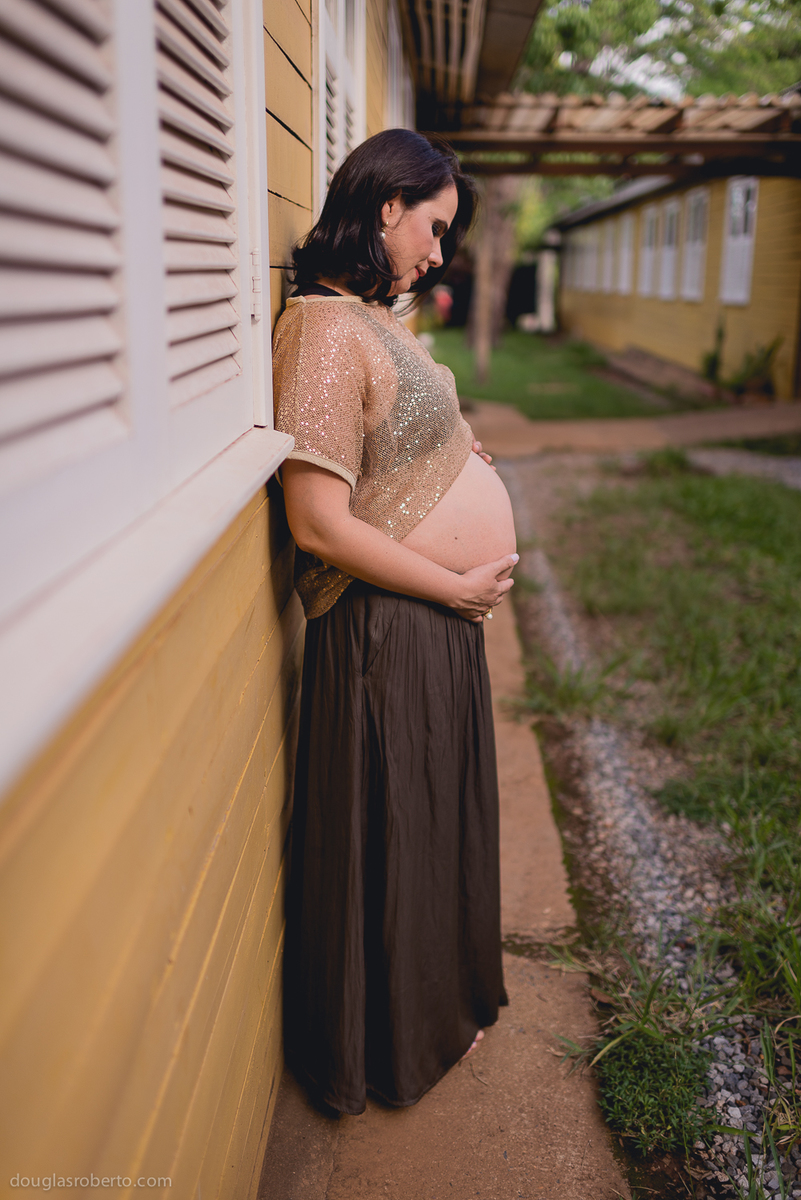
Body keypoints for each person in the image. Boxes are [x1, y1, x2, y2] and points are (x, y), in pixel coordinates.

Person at [272, 128, 518, 1117]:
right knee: (396, 832)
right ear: (386, 205)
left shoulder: (364, 319)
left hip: (425, 614)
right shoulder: (321, 329)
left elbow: (393, 437)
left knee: (428, 824)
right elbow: (315, 520)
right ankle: (380, 1042)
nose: (439, 251)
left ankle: (432, 1007)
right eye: (435, 225)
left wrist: (462, 452)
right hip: (389, 627)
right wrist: (452, 586)